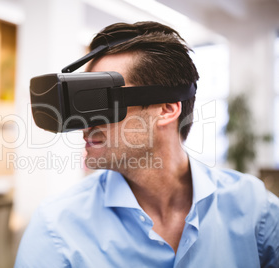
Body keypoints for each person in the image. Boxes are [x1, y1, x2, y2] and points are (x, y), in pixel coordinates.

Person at [15, 21, 279, 267]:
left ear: (166, 109)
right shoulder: (56, 229)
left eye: (99, 104)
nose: (85, 125)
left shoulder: (255, 211)